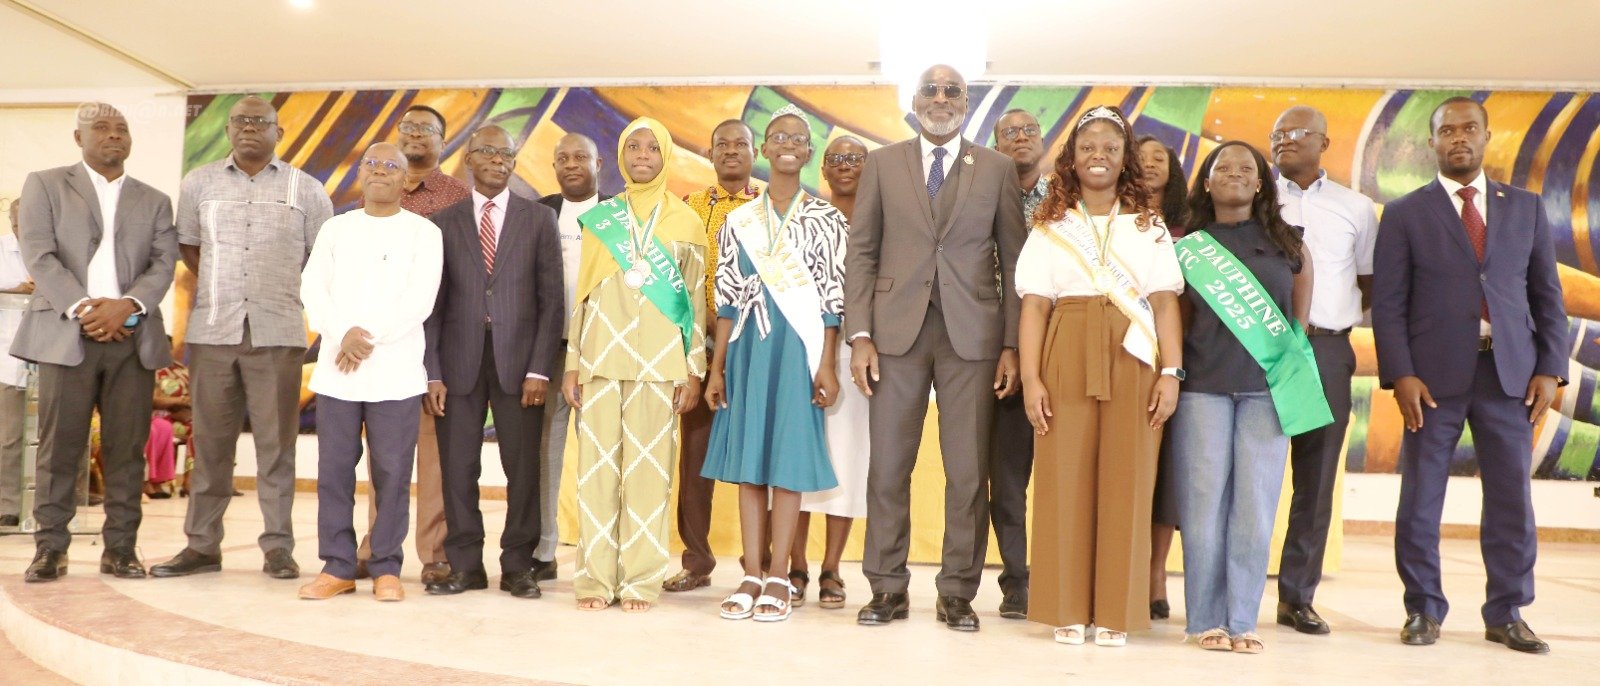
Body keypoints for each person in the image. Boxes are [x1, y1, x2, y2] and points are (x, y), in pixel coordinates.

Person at [1373, 97, 1565, 655]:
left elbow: (1546, 297)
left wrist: (1552, 368)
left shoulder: (1525, 208)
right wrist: (1400, 374)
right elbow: (1388, 305)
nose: (1458, 137)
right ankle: (1423, 610)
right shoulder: (1406, 213)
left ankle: (1506, 612)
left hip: (1511, 376)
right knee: (1420, 498)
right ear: (1432, 142)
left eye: (1469, 129)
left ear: (1485, 138)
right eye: (1446, 130)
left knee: (1511, 499)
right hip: (1430, 382)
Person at [846, 64, 1026, 632]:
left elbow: (1014, 259)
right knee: (888, 467)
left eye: (953, 91)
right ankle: (886, 587)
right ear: (915, 99)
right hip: (894, 334)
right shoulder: (882, 163)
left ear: (967, 103)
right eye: (932, 89)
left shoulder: (996, 168)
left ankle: (956, 592)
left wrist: (1012, 345)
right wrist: (861, 335)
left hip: (972, 338)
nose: (941, 98)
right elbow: (863, 252)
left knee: (968, 471)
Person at [1016, 105, 1184, 647]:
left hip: (1134, 354)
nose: (1098, 156)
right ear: (1072, 157)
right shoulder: (1050, 224)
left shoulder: (1148, 224)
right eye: (1088, 146)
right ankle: (1066, 606)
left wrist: (1172, 372)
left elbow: (1163, 302)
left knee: (1128, 479)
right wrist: (1032, 379)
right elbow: (1035, 307)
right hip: (1065, 348)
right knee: (1064, 476)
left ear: (1124, 159)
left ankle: (1115, 610)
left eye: (1110, 148)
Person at [152, 95, 334, 580]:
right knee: (211, 444)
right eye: (240, 121)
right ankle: (202, 546)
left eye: (261, 121)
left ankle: (278, 548)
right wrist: (226, 284)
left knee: (277, 446)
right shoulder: (199, 183)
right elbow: (190, 248)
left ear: (280, 132)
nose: (249, 127)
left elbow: (323, 258)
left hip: (278, 331)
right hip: (214, 331)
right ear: (230, 130)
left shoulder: (307, 188)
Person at [1170, 140, 1324, 654]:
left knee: (1255, 509)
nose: (1234, 173)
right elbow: (1178, 319)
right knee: (1203, 508)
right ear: (1206, 182)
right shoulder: (1185, 246)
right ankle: (1206, 619)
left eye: (1245, 168)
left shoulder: (1289, 244)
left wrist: (1287, 365)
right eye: (1222, 167)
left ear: (1261, 182)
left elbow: (1300, 317)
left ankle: (1243, 620)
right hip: (1202, 391)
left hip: (1267, 391)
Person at [14, 103, 177, 582]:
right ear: (78, 137)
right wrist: (86, 308)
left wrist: (126, 306)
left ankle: (121, 549)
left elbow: (163, 265)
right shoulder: (45, 184)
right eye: (101, 128)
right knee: (59, 446)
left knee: (128, 448)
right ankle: (50, 549)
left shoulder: (155, 199)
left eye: (121, 129)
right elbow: (39, 255)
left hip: (133, 337)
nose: (113, 136)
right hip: (68, 334)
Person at [702, 107, 846, 622]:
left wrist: (827, 365)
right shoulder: (738, 220)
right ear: (765, 148)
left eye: (799, 139)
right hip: (747, 349)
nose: (788, 145)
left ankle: (781, 574)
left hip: (800, 352)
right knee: (749, 466)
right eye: (778, 137)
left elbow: (833, 299)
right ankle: (750, 572)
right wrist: (717, 369)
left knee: (786, 461)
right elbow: (725, 300)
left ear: (809, 153)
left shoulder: (828, 220)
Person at [563, 117, 708, 613]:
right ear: (621, 156)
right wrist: (571, 363)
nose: (642, 155)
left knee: (650, 476)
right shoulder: (600, 219)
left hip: (660, 364)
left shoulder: (686, 221)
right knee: (596, 475)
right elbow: (581, 295)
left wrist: (694, 368)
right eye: (633, 147)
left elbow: (695, 301)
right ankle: (595, 581)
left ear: (665, 155)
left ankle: (641, 581)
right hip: (601, 360)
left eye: (652, 147)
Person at [297, 142, 443, 602]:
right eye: (372, 164)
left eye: (391, 166)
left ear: (406, 179)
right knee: (334, 471)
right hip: (337, 373)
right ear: (361, 173)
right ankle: (337, 566)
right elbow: (312, 289)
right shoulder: (336, 229)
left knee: (393, 473)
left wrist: (366, 339)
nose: (380, 171)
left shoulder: (424, 232)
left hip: (395, 372)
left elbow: (420, 300)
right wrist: (343, 334)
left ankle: (386, 567)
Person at [423, 126, 564, 599]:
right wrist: (434, 372)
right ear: (468, 159)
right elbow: (434, 304)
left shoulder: (539, 219)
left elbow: (551, 302)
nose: (499, 161)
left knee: (522, 468)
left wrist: (540, 369)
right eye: (488, 152)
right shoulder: (444, 222)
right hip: (458, 363)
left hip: (520, 365)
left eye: (507, 155)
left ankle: (518, 566)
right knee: (459, 467)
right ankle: (466, 566)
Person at [1270, 105, 1379, 635]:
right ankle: (1235, 590)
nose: (1283, 141)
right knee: (1250, 470)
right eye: (1276, 135)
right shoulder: (1255, 200)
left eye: (1294, 134)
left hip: (1326, 351)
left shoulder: (1356, 209)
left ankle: (1296, 597)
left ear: (1324, 142)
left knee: (1314, 482)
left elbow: (1369, 283)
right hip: (1260, 350)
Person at [353, 103, 471, 585]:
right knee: (386, 455)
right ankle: (377, 546)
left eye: (427, 128)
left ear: (444, 142)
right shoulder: (375, 196)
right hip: (383, 348)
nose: (416, 134)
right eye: (408, 127)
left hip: (437, 344)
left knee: (434, 459)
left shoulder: (458, 197)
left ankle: (434, 553)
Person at [666, 119, 760, 595]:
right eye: (721, 144)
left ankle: (757, 562)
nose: (730, 151)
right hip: (700, 352)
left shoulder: (769, 206)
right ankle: (696, 559)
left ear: (753, 151)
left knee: (754, 459)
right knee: (696, 462)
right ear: (709, 153)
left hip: (755, 348)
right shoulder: (690, 208)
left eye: (739, 144)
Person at [791, 135, 868, 610]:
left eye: (855, 159)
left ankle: (831, 569)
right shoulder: (805, 217)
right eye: (836, 158)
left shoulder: (882, 221)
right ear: (822, 168)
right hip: (804, 351)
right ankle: (795, 565)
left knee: (847, 461)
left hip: (857, 355)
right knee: (797, 460)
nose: (845, 166)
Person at [534, 132, 613, 581]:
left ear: (598, 162)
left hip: (602, 354)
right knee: (546, 453)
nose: (570, 164)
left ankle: (600, 553)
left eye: (580, 156)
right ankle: (544, 551)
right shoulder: (539, 212)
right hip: (549, 354)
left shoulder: (618, 216)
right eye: (562, 158)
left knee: (601, 456)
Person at [988, 107, 1048, 620]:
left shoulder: (1065, 203)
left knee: (1058, 477)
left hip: (1058, 355)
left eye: (1030, 131)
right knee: (1006, 481)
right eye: (1009, 133)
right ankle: (1017, 581)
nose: (1021, 139)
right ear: (996, 145)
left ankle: (1060, 573)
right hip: (995, 356)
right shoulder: (979, 196)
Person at [1135, 134, 1188, 620]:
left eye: (1160, 158)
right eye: (1142, 157)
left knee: (1166, 476)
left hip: (1175, 363)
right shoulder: (1110, 221)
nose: (1150, 164)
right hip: (1124, 360)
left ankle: (1155, 574)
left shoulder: (1192, 228)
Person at [0, 200, 33, 528]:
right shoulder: (1, 250)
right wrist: (14, 291)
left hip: (50, 360)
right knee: (9, 438)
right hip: (7, 360)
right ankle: (8, 504)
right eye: (18, 224)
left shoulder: (56, 249)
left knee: (51, 436)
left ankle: (47, 506)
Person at [145, 354, 190, 499]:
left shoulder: (183, 370)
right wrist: (179, 401)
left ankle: (159, 481)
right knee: (151, 430)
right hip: (143, 412)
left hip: (171, 415)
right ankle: (146, 481)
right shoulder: (147, 368)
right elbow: (151, 399)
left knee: (164, 427)